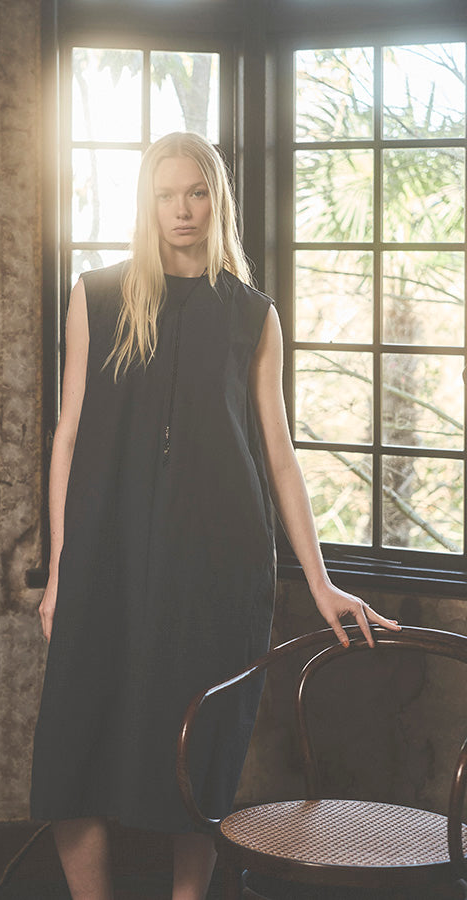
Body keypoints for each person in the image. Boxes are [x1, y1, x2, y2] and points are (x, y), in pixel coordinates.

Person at [30, 131, 401, 900]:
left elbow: (279, 454)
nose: (182, 210)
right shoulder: (96, 295)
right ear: (147, 202)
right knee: (72, 752)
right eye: (167, 195)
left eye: (197, 193)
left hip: (216, 564)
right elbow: (67, 435)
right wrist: (61, 572)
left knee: (193, 756)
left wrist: (320, 582)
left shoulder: (251, 314)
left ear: (217, 200)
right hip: (103, 556)